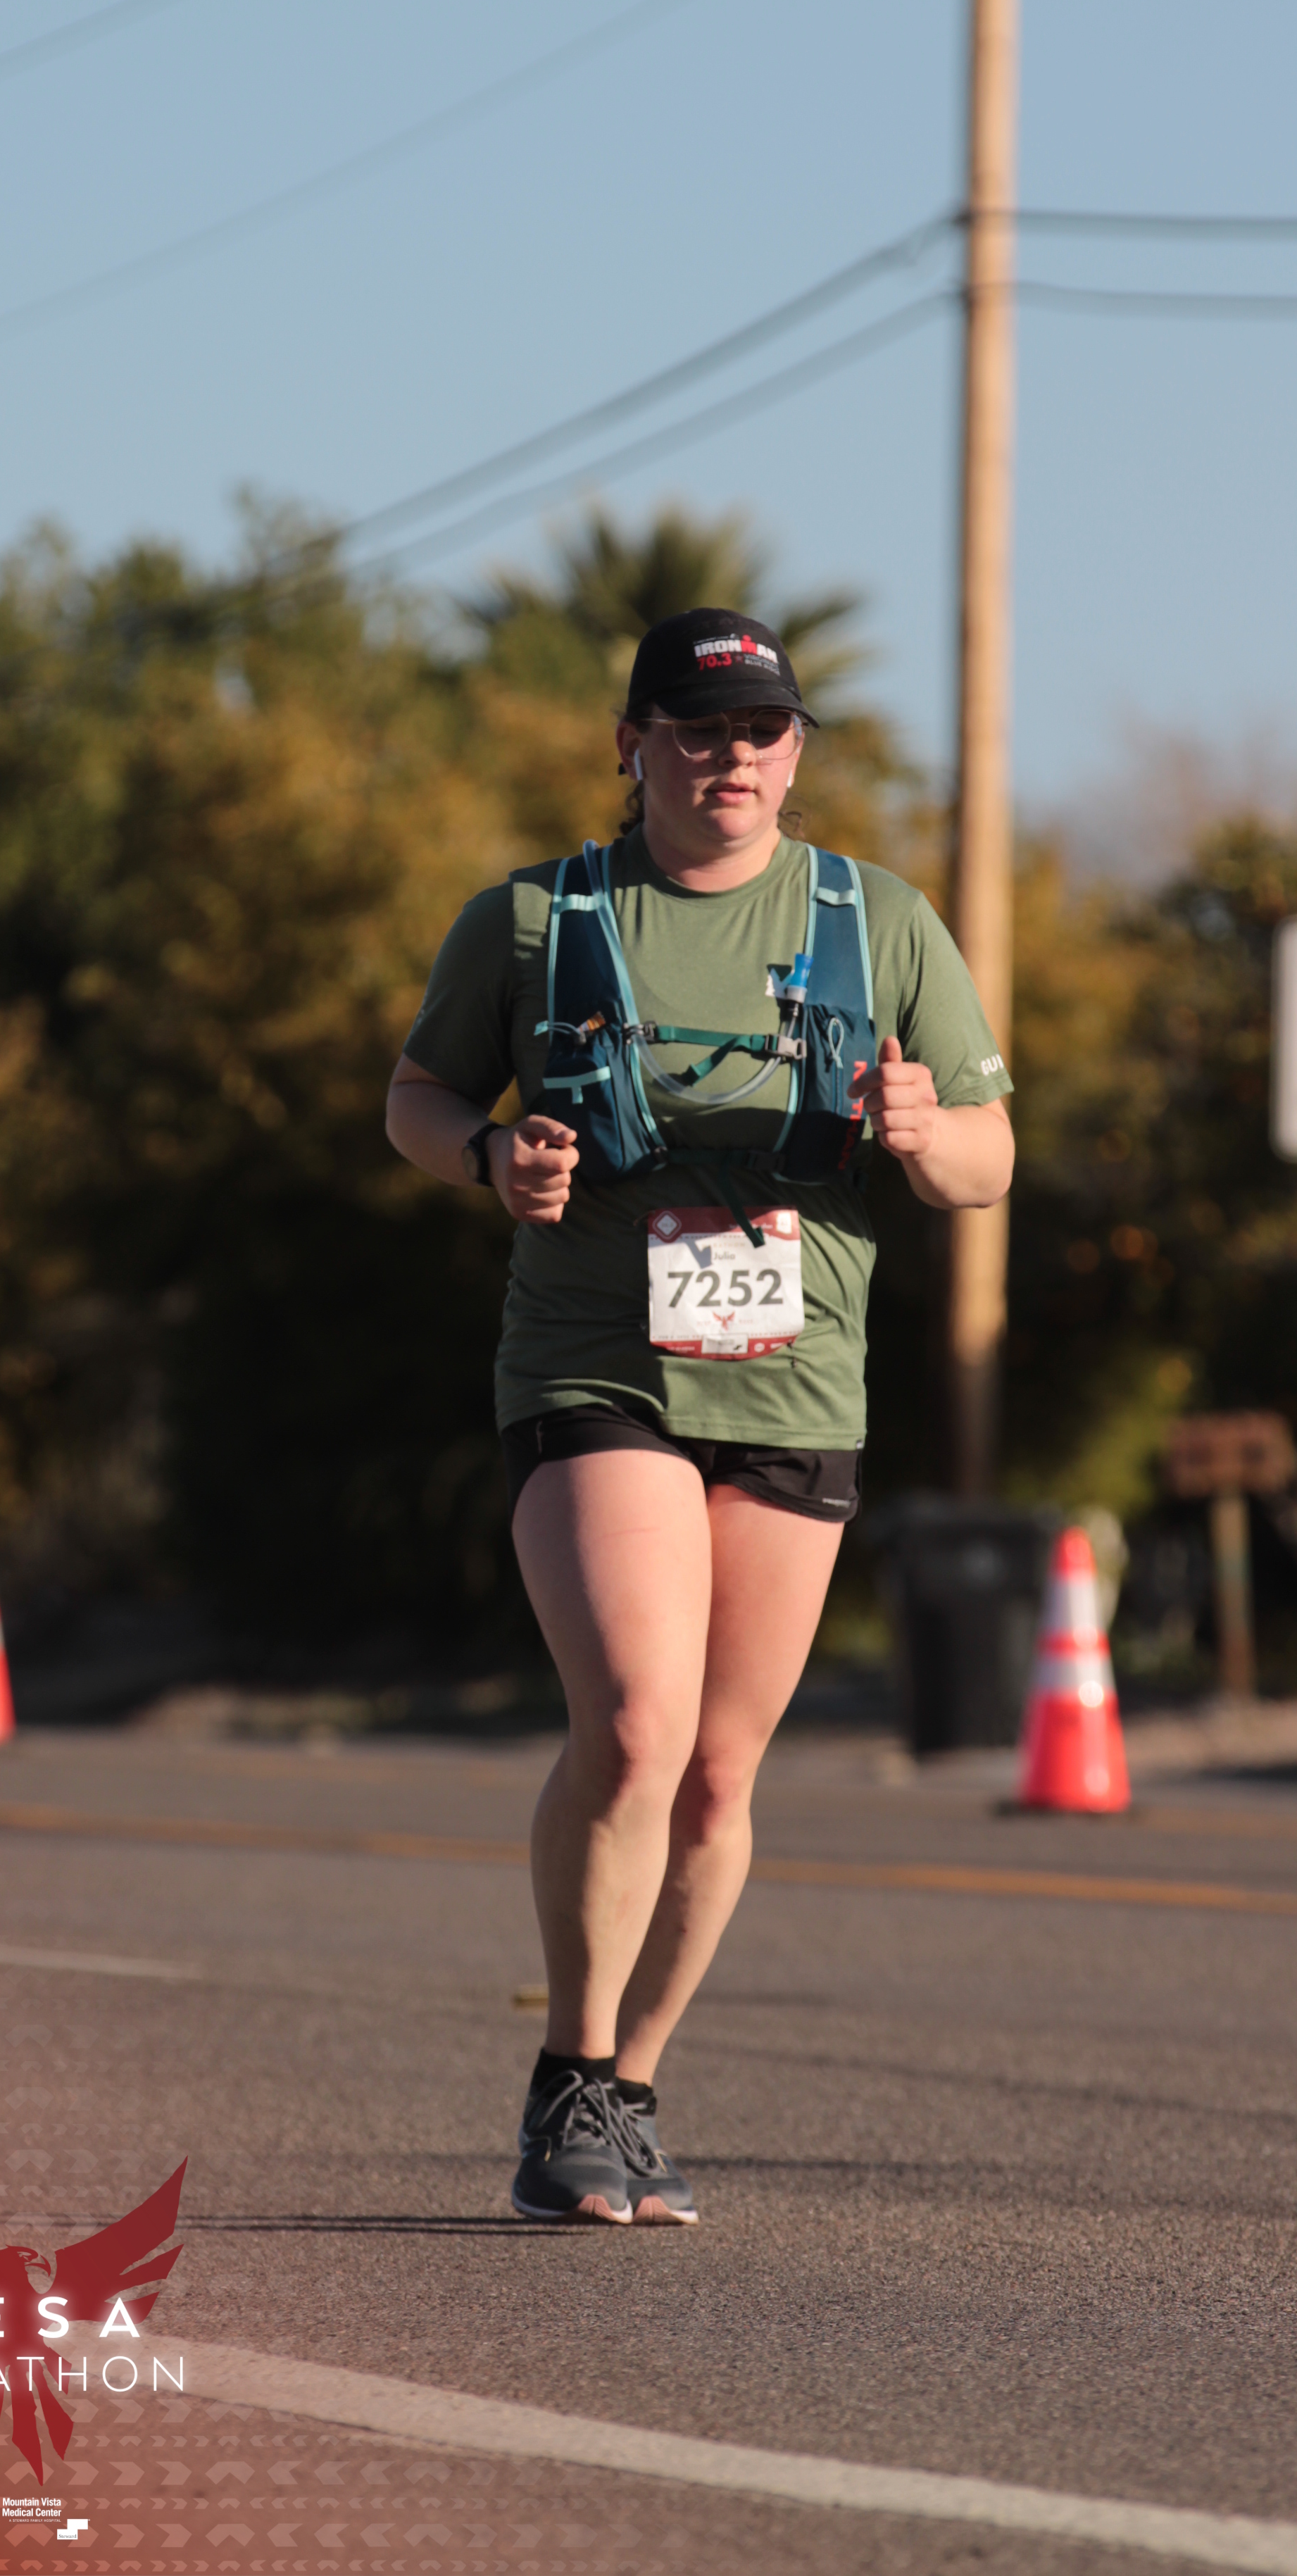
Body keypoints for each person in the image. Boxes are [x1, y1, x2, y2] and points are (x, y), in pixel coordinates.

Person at [386, 608, 1014, 2225]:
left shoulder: (879, 920)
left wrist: (920, 1127)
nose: (728, 758)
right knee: (635, 1727)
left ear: (793, 752)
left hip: (797, 1379)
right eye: (693, 729)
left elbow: (986, 1164)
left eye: (758, 731)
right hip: (598, 1368)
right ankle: (569, 2073)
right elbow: (418, 1095)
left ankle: (632, 2087)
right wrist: (488, 1155)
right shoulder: (537, 918)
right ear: (632, 744)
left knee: (719, 1778)